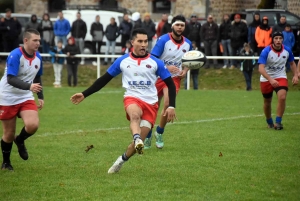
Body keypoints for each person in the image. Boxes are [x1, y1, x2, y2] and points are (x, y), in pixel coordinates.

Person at [70, 28, 177, 174]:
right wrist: (84, 94)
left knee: (133, 148)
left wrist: (171, 106)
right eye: (140, 41)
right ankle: (137, 137)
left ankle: (122, 159)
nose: (144, 44)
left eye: (146, 41)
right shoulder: (123, 61)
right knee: (134, 116)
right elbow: (103, 80)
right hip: (132, 98)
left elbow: (170, 84)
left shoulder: (155, 62)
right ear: (132, 42)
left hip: (151, 104)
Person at [144, 15, 192, 149]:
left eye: (182, 25)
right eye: (177, 25)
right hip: (157, 77)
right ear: (172, 26)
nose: (180, 27)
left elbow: (190, 61)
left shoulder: (188, 43)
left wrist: (185, 70)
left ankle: (159, 132)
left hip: (173, 79)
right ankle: (147, 135)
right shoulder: (163, 40)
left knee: (167, 104)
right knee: (153, 106)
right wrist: (165, 67)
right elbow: (152, 59)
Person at [0, 28, 44, 171]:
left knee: (33, 125)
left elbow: (37, 77)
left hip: (25, 95)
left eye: (39, 40)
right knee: (8, 133)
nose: (38, 43)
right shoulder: (15, 55)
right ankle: (6, 163)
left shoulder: (39, 57)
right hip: (7, 96)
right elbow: (11, 79)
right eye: (35, 40)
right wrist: (29, 86)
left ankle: (20, 140)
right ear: (26, 41)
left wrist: (41, 96)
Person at [258, 32, 298, 130]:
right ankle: (269, 121)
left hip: (280, 77)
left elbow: (292, 63)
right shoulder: (266, 51)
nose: (278, 40)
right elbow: (261, 68)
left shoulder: (287, 50)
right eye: (276, 38)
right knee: (267, 101)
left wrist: (296, 75)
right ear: (273, 40)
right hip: (266, 78)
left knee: (282, 97)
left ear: (282, 40)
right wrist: (270, 79)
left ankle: (278, 122)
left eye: (280, 38)